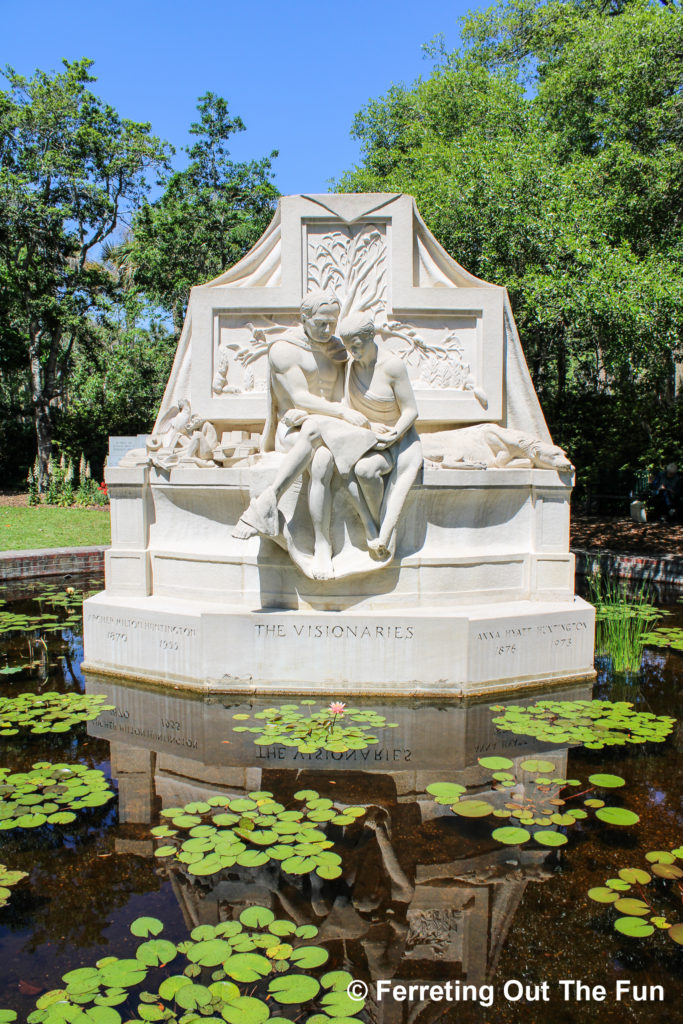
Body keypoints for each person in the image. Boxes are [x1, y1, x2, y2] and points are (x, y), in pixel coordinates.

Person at [233, 290, 374, 579]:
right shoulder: (284, 349)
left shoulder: (337, 349)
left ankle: (273, 506)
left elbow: (345, 392)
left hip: (326, 424)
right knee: (318, 450)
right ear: (304, 318)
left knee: (322, 453)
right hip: (294, 427)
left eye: (332, 323)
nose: (328, 329)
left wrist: (337, 413)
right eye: (321, 323)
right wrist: (338, 413)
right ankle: (320, 544)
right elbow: (298, 395)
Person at [338, 311, 423, 561]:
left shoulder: (392, 366)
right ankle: (375, 528)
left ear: (371, 337)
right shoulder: (351, 367)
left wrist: (394, 434)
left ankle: (381, 528)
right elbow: (348, 409)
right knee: (341, 467)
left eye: (357, 346)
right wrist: (367, 429)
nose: (353, 353)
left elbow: (411, 410)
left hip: (396, 442)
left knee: (365, 471)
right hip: (365, 438)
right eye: (348, 348)